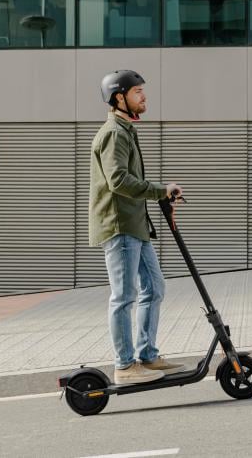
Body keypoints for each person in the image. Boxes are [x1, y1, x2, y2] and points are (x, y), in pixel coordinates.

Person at [89, 70, 187, 385]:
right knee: (123, 296)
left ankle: (147, 356)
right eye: (138, 91)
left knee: (154, 288)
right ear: (120, 97)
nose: (144, 97)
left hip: (135, 225)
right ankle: (124, 366)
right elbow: (118, 181)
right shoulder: (114, 133)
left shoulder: (126, 130)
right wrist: (160, 190)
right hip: (119, 226)